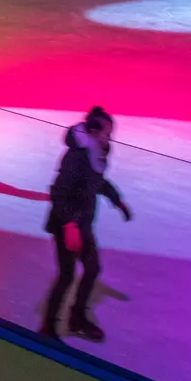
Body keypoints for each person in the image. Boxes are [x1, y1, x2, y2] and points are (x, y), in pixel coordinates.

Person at [42, 107, 131, 343]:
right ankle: (48, 326)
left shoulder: (97, 153)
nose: (109, 139)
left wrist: (117, 200)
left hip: (83, 224)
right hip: (66, 224)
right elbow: (59, 194)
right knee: (67, 276)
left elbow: (98, 182)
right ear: (92, 132)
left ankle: (76, 317)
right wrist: (70, 226)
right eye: (106, 134)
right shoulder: (75, 156)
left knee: (92, 269)